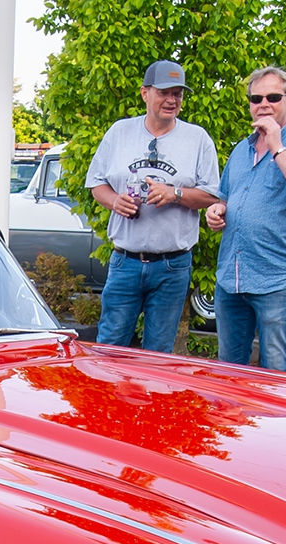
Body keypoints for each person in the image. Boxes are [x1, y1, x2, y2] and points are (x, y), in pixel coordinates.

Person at [84, 59, 220, 354]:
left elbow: (212, 196)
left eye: (178, 94)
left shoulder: (198, 139)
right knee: (109, 349)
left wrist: (175, 194)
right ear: (145, 93)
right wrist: (115, 201)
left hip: (172, 265)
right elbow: (96, 183)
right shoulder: (119, 132)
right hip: (125, 261)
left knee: (157, 355)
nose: (172, 100)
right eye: (164, 92)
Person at [204, 65, 286, 371]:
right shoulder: (240, 150)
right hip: (231, 280)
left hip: (277, 281)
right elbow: (225, 199)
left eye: (273, 97)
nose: (263, 104)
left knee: (276, 376)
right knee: (230, 373)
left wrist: (277, 147)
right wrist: (216, 212)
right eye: (256, 98)